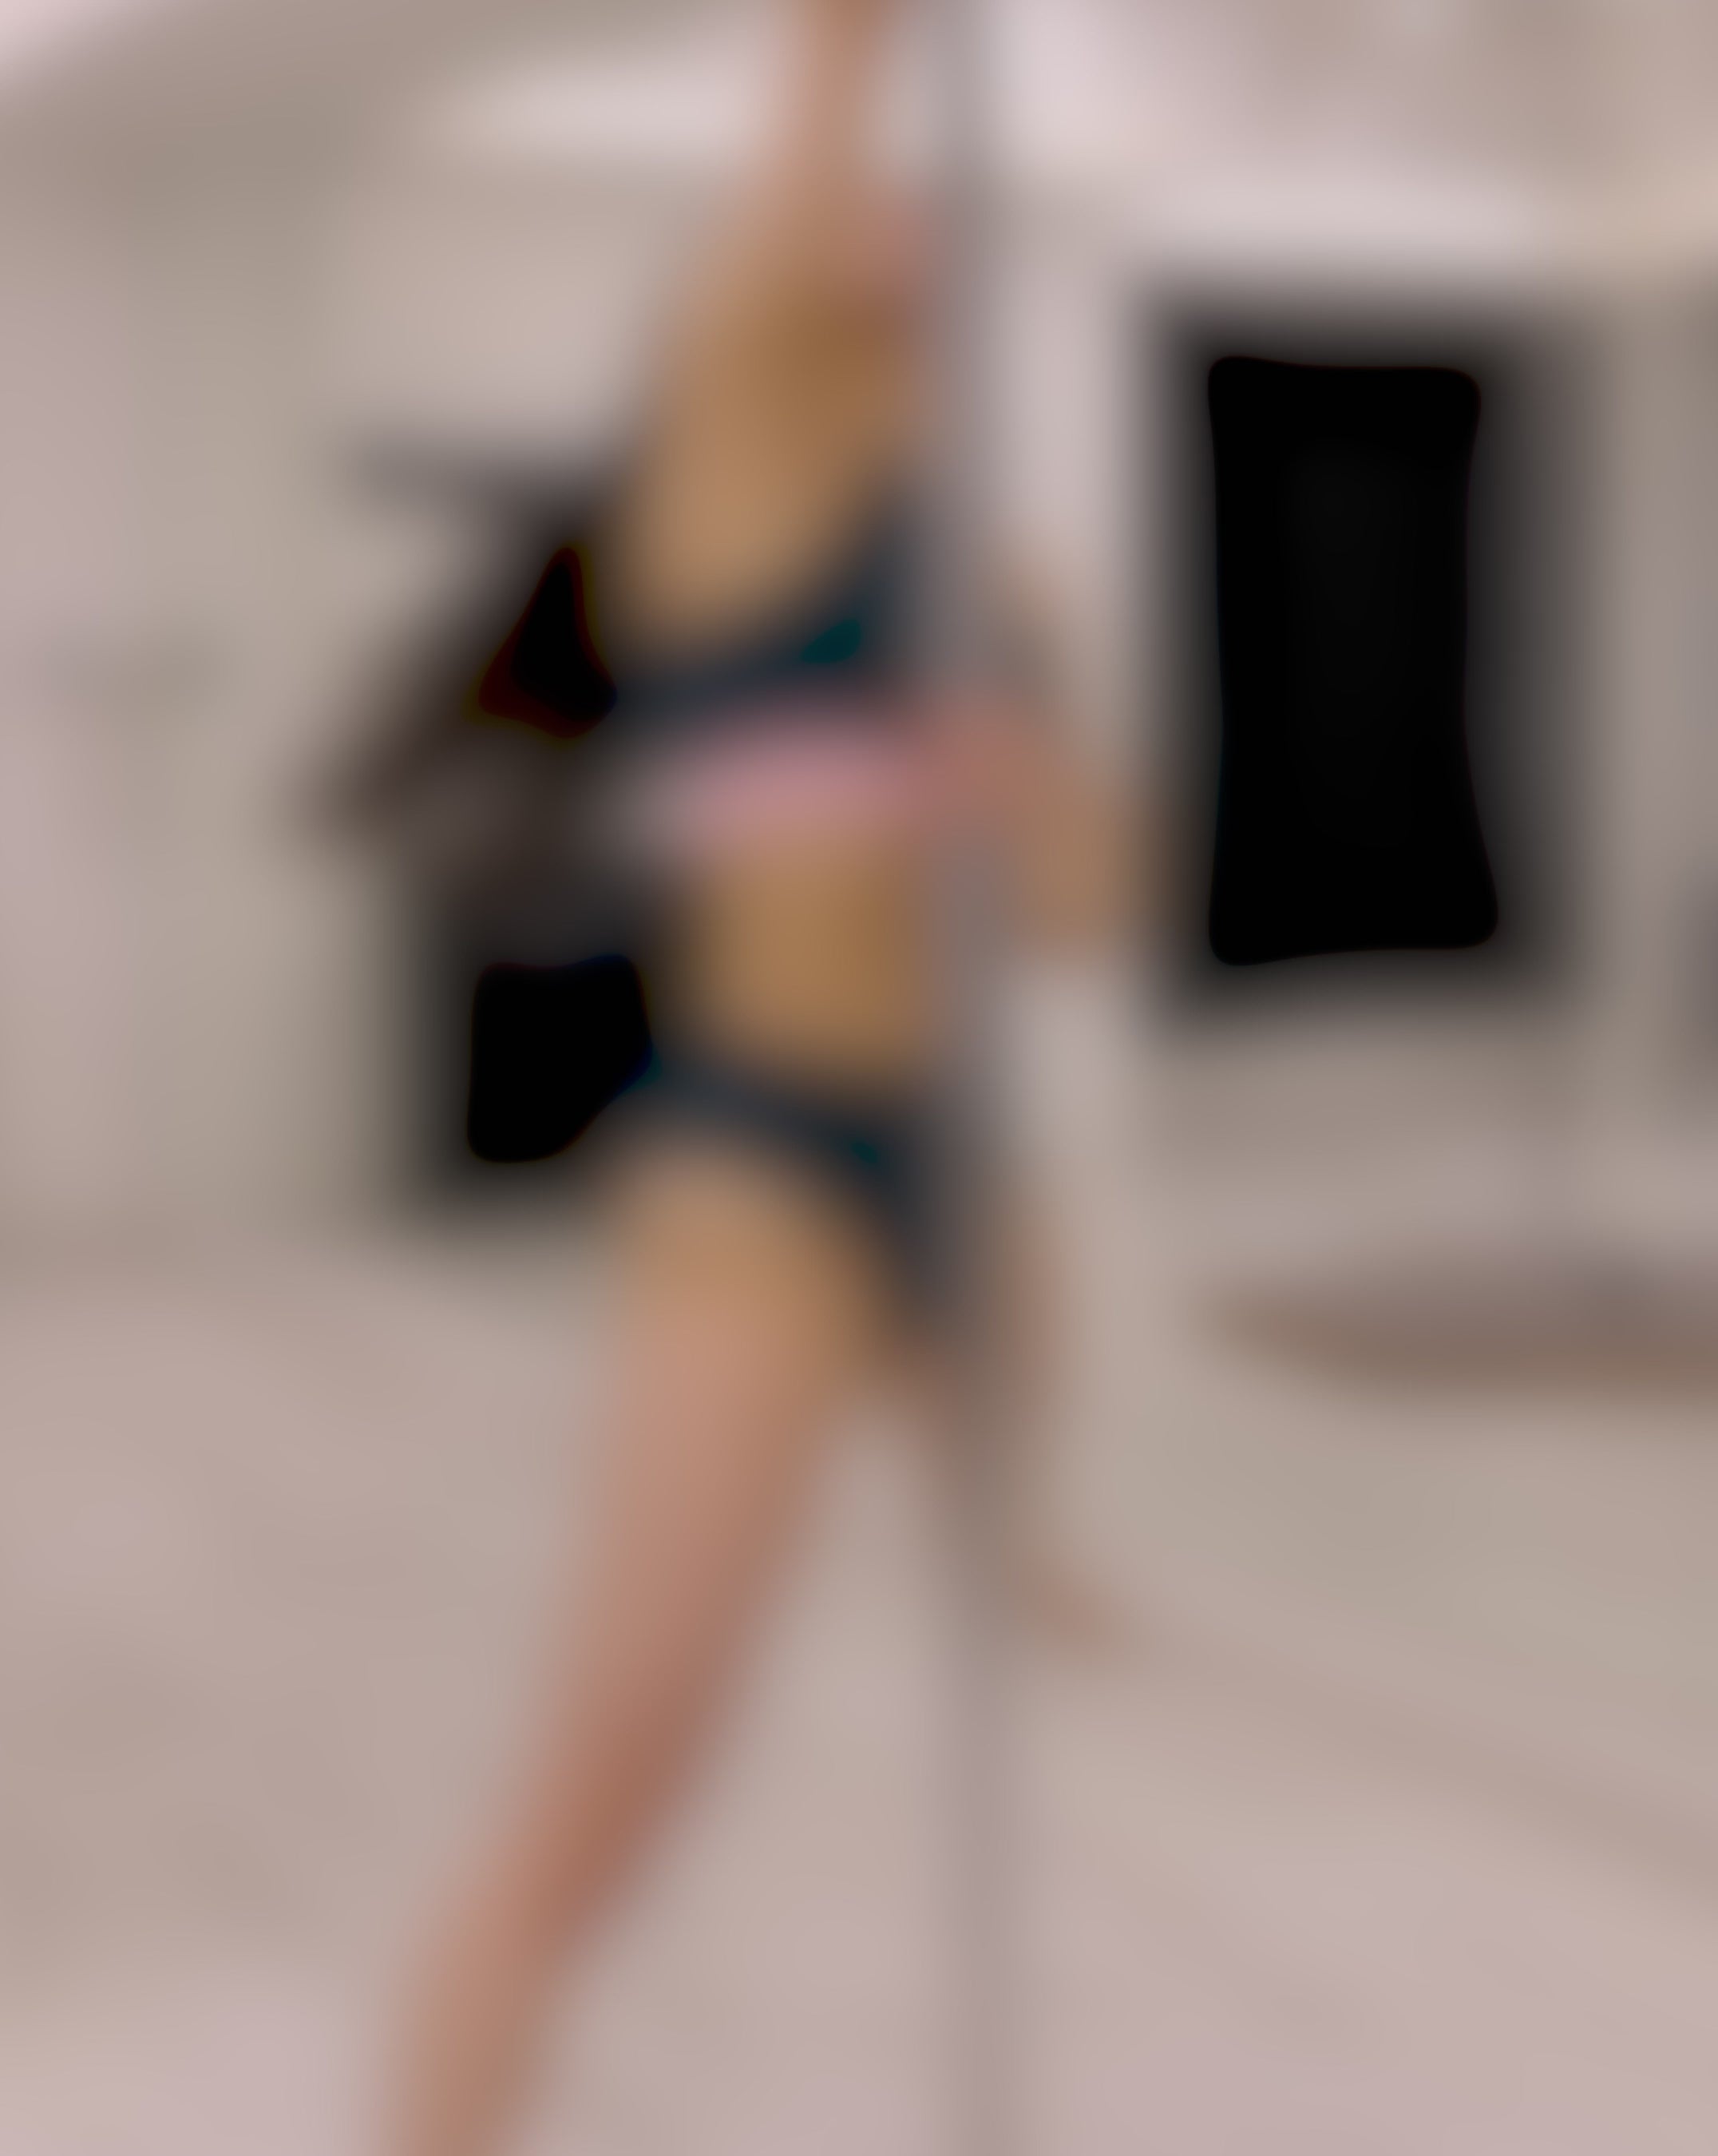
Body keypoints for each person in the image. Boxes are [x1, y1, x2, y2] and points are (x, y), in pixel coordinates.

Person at [380, 3, 1130, 2150]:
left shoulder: (993, 561)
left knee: (1031, 1452)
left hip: (957, 1160)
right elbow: (829, 67)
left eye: (919, 205)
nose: (901, 214)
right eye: (862, 197)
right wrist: (850, 81)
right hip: (770, 1165)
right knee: (609, 1791)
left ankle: (1011, 1532)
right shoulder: (737, 442)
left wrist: (1024, 787)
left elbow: (1084, 909)